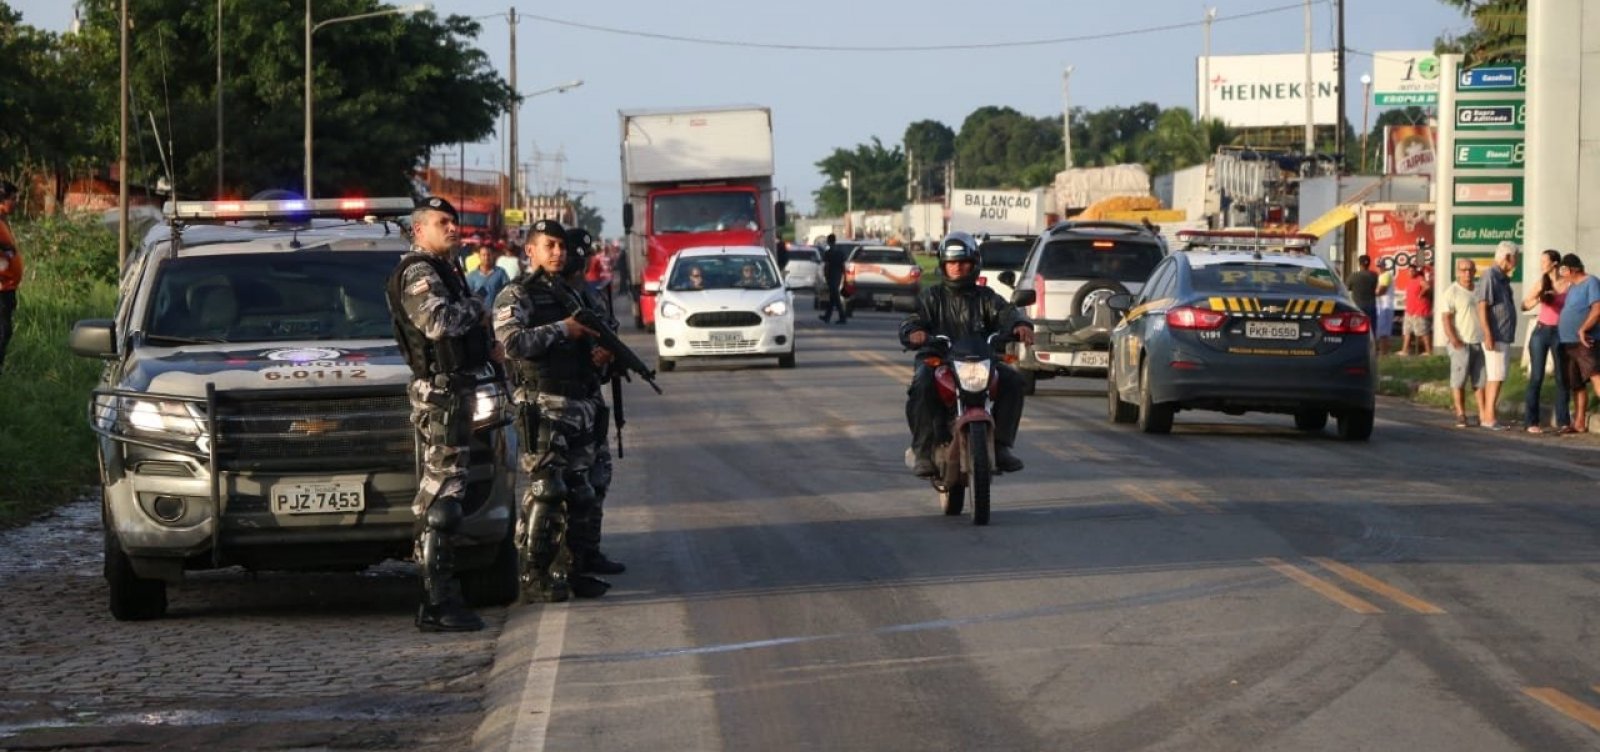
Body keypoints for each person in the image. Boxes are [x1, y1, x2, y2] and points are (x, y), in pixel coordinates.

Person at [385, 196, 494, 633]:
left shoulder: (446, 269)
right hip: (440, 394)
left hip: (456, 390)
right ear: (419, 230)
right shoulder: (418, 271)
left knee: (448, 492)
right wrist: (478, 308)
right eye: (442, 222)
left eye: (454, 221)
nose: (453, 227)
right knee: (441, 499)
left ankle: (441, 596)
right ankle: (437, 601)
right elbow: (437, 323)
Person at [493, 218, 612, 602]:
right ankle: (533, 573)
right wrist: (563, 329)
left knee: (582, 491)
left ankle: (574, 569)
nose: (558, 253)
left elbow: (591, 348)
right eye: (549, 246)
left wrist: (600, 357)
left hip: (579, 403)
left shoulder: (574, 295)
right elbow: (511, 344)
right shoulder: (517, 294)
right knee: (547, 491)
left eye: (561, 246)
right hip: (542, 404)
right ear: (530, 251)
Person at [899, 232, 1035, 478]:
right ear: (943, 265)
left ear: (974, 264)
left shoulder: (986, 297)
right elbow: (913, 318)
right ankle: (923, 450)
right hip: (939, 360)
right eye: (952, 262)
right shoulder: (931, 297)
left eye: (963, 262)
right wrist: (914, 331)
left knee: (1013, 380)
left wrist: (1020, 324)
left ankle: (1001, 446)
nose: (957, 267)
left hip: (980, 360)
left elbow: (1007, 313)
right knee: (922, 383)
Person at [563, 226, 626, 577]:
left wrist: (607, 355)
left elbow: (609, 332)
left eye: (584, 256)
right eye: (575, 254)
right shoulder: (549, 295)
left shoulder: (593, 295)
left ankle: (590, 550)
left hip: (591, 397)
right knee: (566, 484)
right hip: (558, 401)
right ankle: (564, 559)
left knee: (598, 477)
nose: (579, 262)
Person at [1522, 249, 1571, 433]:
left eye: (1545, 261)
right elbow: (1524, 305)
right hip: (1541, 332)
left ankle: (1563, 421)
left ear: (1555, 264)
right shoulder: (1542, 282)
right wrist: (1538, 299)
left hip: (1560, 332)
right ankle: (1531, 422)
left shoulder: (1568, 284)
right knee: (1536, 377)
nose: (1541, 265)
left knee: (1562, 377)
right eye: (1541, 261)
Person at [1475, 241, 1519, 430]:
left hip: (1502, 334)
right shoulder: (1490, 276)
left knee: (1497, 374)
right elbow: (1482, 305)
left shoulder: (1502, 278)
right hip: (1496, 334)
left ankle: (1488, 415)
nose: (1517, 261)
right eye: (1516, 257)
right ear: (1507, 257)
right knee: (1496, 375)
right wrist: (1488, 333)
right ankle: (1489, 418)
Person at [1557, 254, 1600, 433]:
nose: (1561, 273)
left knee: (1595, 375)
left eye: (1563, 269)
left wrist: (1583, 329)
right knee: (1576, 383)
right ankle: (1579, 422)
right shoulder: (1572, 286)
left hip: (1585, 340)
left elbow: (1597, 309)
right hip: (1568, 341)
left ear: (1573, 269)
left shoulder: (1591, 282)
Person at [1442, 258, 1486, 429]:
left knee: (1480, 380)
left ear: (1475, 272)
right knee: (1459, 380)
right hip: (1461, 341)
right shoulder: (1452, 292)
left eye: (1470, 270)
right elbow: (1446, 318)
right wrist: (1454, 339)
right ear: (1458, 272)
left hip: (1479, 341)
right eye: (1463, 270)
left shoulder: (1480, 290)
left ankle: (1483, 414)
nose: (1467, 273)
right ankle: (1461, 414)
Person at [0, 180, 21, 374]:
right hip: (1, 289)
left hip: (8, 288)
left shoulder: (3, 221)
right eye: (13, 199)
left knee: (5, 331)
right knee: (2, 331)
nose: (16, 202)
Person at [1400, 262, 1433, 356]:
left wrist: (1421, 294)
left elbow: (1427, 287)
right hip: (1410, 311)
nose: (1410, 272)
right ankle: (1405, 351)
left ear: (1416, 271)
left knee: (1423, 332)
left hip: (1419, 311)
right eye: (1409, 271)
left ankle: (1428, 351)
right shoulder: (1410, 281)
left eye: (1412, 271)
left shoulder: (1420, 279)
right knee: (1407, 331)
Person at [819, 233, 849, 324]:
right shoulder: (840, 252)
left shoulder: (828, 252)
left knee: (835, 297)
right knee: (833, 297)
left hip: (831, 276)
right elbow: (843, 265)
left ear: (828, 241)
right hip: (838, 276)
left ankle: (842, 317)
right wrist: (844, 276)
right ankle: (827, 316)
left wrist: (825, 276)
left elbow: (826, 266)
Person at [1345, 254, 1379, 325]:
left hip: (1357, 306)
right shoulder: (1374, 275)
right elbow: (1376, 288)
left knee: (1358, 327)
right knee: (1371, 327)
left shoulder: (1353, 276)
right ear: (1369, 264)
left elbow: (1346, 288)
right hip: (1371, 306)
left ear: (1359, 264)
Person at [1374, 263, 1395, 356]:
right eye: (1378, 266)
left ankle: (1384, 353)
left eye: (1381, 266)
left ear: (1385, 266)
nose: (1379, 268)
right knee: (1381, 330)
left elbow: (1382, 290)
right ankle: (1383, 351)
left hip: (1386, 306)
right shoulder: (1381, 276)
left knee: (1384, 332)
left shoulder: (1387, 275)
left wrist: (1370, 293)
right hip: (1381, 306)